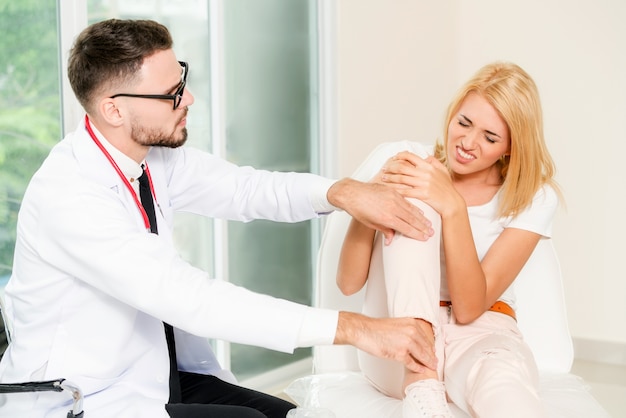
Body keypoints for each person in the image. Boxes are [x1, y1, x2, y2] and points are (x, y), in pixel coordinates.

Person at [0, 19, 438, 418]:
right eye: (172, 93)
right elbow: (192, 298)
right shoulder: (70, 197)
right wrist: (355, 328)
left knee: (291, 416)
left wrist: (341, 192)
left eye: (183, 79)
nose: (188, 98)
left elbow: (246, 189)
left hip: (155, 374)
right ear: (114, 110)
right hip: (85, 398)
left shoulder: (150, 158)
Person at [336, 61, 560, 418]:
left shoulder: (532, 196)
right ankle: (421, 382)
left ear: (510, 148)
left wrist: (452, 207)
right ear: (453, 114)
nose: (468, 143)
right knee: (416, 190)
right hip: (399, 334)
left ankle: (428, 380)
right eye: (464, 123)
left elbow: (471, 308)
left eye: (490, 138)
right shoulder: (413, 163)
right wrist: (373, 199)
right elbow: (348, 283)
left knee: (505, 389)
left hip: (481, 331)